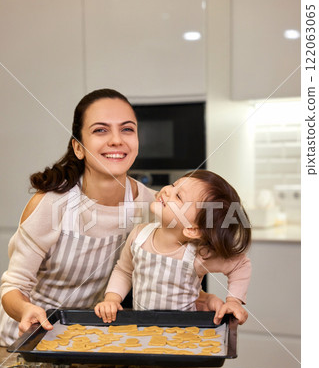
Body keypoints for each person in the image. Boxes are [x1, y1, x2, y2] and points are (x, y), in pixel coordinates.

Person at [0, 88, 156, 346]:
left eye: (127, 129)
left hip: (85, 338)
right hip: (26, 340)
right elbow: (12, 287)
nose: (117, 140)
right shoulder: (50, 204)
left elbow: (170, 268)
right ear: (79, 147)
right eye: (100, 130)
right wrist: (26, 310)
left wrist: (203, 297)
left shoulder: (150, 205)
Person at [95, 170, 252, 325]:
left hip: (185, 333)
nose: (167, 190)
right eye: (173, 185)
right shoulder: (138, 236)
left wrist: (233, 301)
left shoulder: (197, 255)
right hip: (144, 329)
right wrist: (112, 299)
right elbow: (124, 271)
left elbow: (240, 265)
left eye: (178, 196)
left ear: (192, 229)